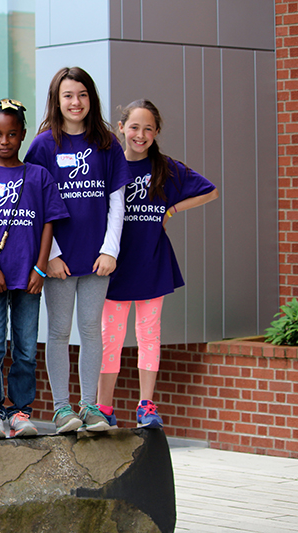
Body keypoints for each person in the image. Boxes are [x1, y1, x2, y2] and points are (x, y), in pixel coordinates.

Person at [97, 99, 218, 428]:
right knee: (111, 338)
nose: (140, 134)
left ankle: (146, 406)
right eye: (134, 127)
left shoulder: (166, 168)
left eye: (148, 129)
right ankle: (104, 407)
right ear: (121, 128)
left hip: (153, 262)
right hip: (115, 266)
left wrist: (172, 210)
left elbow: (210, 191)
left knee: (149, 336)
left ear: (156, 132)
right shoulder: (110, 165)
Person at [25, 67, 132, 433]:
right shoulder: (43, 146)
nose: (76, 102)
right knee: (58, 331)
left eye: (82, 94)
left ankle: (90, 406)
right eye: (68, 95)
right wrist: (51, 254)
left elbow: (116, 201)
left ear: (91, 98)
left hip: (98, 257)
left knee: (90, 329)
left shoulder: (107, 143)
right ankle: (61, 409)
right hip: (59, 259)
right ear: (56, 100)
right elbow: (36, 205)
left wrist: (110, 249)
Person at [0, 99, 69, 439]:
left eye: (11, 134)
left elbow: (49, 223)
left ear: (22, 135)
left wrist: (40, 269)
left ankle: (21, 411)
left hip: (28, 276)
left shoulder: (39, 176)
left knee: (25, 348)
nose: (4, 141)